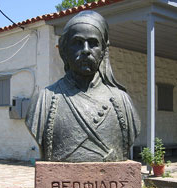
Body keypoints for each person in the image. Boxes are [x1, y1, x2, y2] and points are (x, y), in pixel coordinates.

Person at [25, 10, 140, 162]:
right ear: (64, 51)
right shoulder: (43, 101)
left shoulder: (122, 101)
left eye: (93, 43)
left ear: (103, 51)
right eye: (78, 42)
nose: (86, 50)